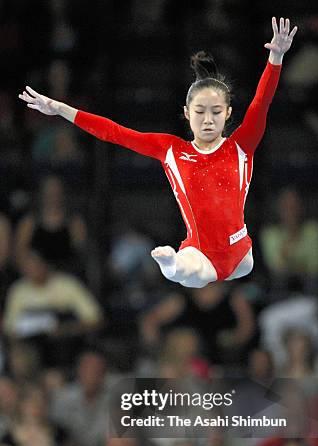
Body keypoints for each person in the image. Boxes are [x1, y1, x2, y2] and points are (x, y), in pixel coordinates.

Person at [19, 18, 297, 288]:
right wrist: (60, 109)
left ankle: (177, 266)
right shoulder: (171, 150)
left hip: (240, 255)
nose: (208, 119)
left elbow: (262, 102)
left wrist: (276, 58)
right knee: (189, 268)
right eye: (200, 112)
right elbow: (114, 132)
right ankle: (171, 265)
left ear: (228, 114)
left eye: (216, 112)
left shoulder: (241, 146)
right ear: (187, 114)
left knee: (235, 265)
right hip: (200, 253)